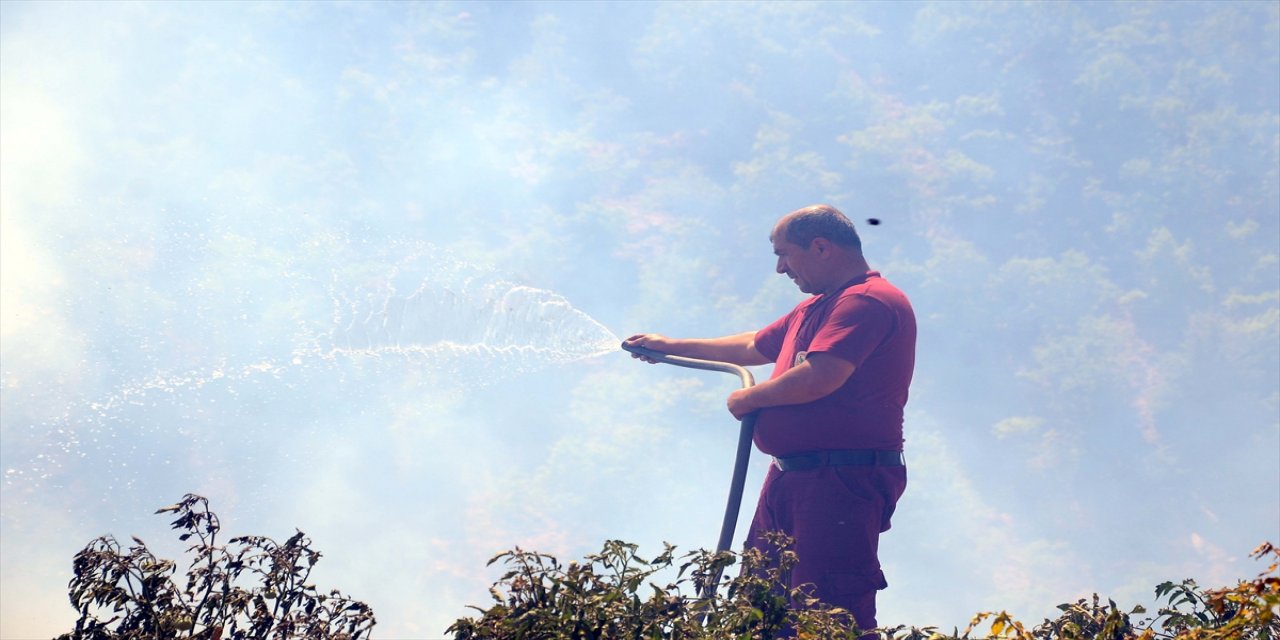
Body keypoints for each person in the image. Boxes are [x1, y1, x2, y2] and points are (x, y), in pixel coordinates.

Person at [624, 204, 916, 632]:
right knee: (763, 603)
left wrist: (749, 399)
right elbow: (754, 346)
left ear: (820, 247)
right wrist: (670, 345)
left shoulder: (867, 302)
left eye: (785, 254)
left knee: (827, 610)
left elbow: (822, 376)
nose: (781, 269)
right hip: (792, 478)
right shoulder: (820, 306)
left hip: (838, 480)